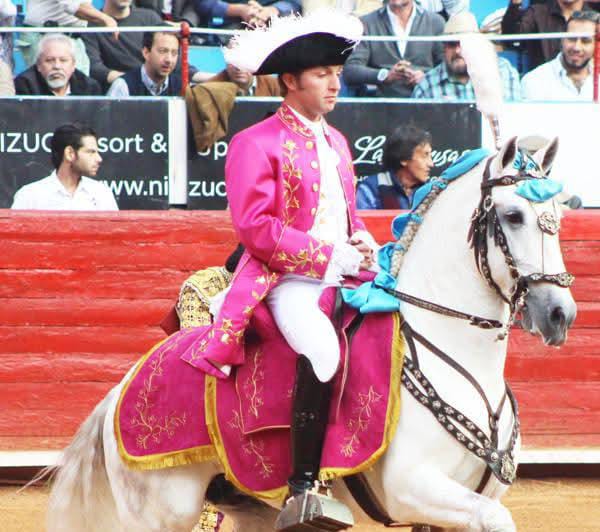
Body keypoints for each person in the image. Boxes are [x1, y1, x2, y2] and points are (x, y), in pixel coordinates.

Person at [178, 10, 379, 528]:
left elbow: (344, 214)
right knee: (322, 350)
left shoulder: (337, 142)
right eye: (321, 74)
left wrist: (361, 240)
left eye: (337, 72)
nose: (335, 83)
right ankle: (304, 487)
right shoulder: (255, 141)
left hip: (344, 273)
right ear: (290, 80)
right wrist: (329, 256)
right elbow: (257, 229)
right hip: (285, 280)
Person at [343, 0, 444, 97]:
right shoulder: (366, 23)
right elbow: (351, 70)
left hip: (426, 101)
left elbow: (446, 66)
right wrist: (384, 75)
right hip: (381, 103)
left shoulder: (435, 22)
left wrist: (426, 78)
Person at [412, 12, 522, 100]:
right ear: (444, 47)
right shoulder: (427, 85)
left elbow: (513, 118)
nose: (458, 50)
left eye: (464, 43)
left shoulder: (502, 72)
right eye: (452, 44)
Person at [12, 123, 118, 210]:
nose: (99, 159)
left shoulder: (102, 194)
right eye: (91, 152)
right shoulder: (29, 196)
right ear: (69, 153)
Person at [82, 0, 165, 91]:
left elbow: (167, 54)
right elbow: (94, 68)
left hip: (154, 88)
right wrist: (130, 81)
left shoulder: (150, 18)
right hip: (114, 91)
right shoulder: (91, 26)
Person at [19, 0, 118, 75]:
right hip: (43, 37)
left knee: (80, 84)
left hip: (72, 37)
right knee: (45, 86)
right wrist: (106, 19)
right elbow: (72, 6)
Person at [522, 10, 599, 101]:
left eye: (585, 41)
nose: (577, 48)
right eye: (572, 39)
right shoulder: (535, 80)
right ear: (562, 40)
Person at [356, 124, 433, 209]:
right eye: (425, 155)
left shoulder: (431, 191)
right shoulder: (370, 190)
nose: (431, 164)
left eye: (430, 156)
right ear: (404, 158)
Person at [501, 0, 590, 70]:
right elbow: (511, 40)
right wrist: (516, 3)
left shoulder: (594, 17)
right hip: (544, 83)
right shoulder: (537, 12)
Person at [15, 33, 102, 95]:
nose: (57, 66)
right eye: (49, 60)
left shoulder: (89, 87)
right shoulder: (24, 86)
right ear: (38, 65)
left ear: (73, 65)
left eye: (63, 60)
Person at [107, 31, 183, 96]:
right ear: (146, 52)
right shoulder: (123, 86)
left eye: (174, 53)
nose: (169, 60)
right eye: (162, 51)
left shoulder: (181, 87)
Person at [206, 61, 280, 96]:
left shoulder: (274, 84)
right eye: (233, 61)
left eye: (244, 60)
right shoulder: (210, 88)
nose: (239, 68)